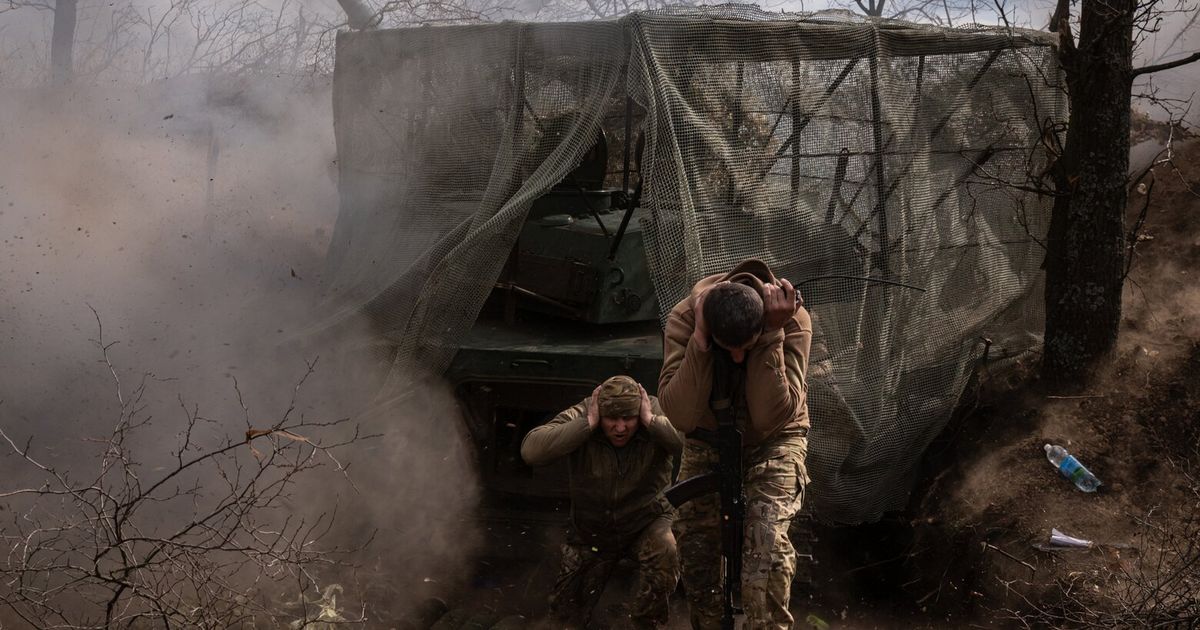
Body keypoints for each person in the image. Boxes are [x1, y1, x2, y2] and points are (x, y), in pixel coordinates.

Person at [658, 259, 812, 630]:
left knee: (766, 549)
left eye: (747, 347)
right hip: (707, 437)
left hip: (774, 438)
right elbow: (681, 415)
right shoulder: (685, 319)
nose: (739, 357)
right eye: (730, 349)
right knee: (694, 549)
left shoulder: (791, 319)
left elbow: (770, 416)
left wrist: (771, 334)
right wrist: (699, 341)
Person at [521, 375, 685, 629]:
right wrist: (586, 424)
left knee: (667, 549)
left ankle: (645, 623)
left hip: (645, 522)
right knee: (565, 618)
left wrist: (651, 421)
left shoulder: (653, 410)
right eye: (612, 419)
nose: (620, 428)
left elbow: (690, 444)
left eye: (628, 418)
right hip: (592, 532)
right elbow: (531, 451)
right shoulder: (585, 412)